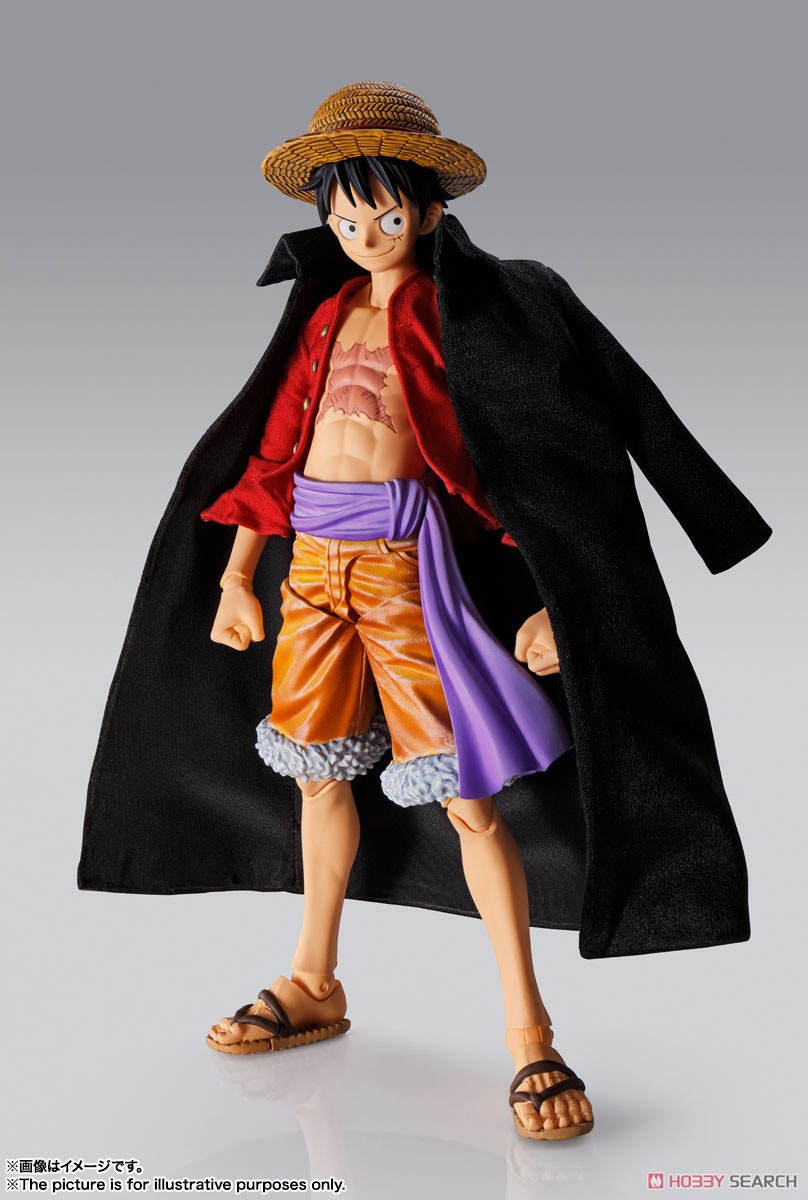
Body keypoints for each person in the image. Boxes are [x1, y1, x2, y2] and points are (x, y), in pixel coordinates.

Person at [202, 82, 592, 1141]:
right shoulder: (326, 315)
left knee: (465, 795)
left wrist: (555, 595)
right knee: (315, 773)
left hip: (403, 567)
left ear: (425, 210)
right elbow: (274, 453)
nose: (363, 234)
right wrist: (238, 576)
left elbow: (530, 462)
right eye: (344, 217)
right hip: (311, 568)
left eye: (382, 214)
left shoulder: (465, 314)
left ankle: (530, 1036)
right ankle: (313, 980)